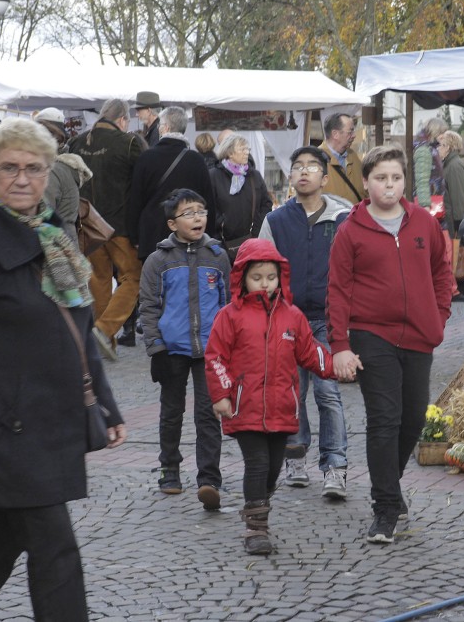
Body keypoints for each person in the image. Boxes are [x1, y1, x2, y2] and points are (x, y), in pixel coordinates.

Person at [0, 117, 127, 621]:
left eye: (33, 168)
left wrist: (105, 403)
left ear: (49, 173)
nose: (21, 178)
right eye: (8, 167)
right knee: (55, 549)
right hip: (3, 429)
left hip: (50, 421)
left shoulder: (53, 237)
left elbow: (78, 328)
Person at [327, 145, 451, 544]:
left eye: (396, 178)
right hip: (371, 334)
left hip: (419, 335)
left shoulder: (423, 223)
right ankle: (385, 509)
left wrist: (439, 317)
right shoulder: (350, 231)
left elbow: (442, 272)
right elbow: (338, 290)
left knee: (413, 418)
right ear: (366, 183)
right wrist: (340, 344)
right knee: (384, 419)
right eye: (381, 178)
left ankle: (389, 487)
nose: (389, 185)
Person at [205, 238, 334, 555]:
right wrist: (222, 394)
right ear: (243, 278)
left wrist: (338, 367)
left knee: (274, 467)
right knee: (258, 464)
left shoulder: (292, 316)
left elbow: (310, 352)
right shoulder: (230, 316)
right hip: (244, 406)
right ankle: (256, 528)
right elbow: (216, 357)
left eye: (271, 277)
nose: (265, 284)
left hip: (282, 407)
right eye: (257, 277)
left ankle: (258, 504)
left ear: (280, 277)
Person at [258, 146, 350, 499]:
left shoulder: (342, 219)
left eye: (312, 166)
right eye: (297, 166)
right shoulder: (276, 221)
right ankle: (295, 458)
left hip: (329, 319)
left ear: (324, 179)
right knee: (292, 393)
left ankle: (335, 466)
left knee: (328, 394)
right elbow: (262, 269)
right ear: (291, 176)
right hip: (288, 318)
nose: (304, 171)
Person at [140, 189, 229, 505]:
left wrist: (228, 346)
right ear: (172, 223)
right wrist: (156, 348)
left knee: (209, 413)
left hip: (210, 350)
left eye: (201, 211)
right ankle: (170, 469)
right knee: (171, 412)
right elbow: (148, 307)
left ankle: (209, 478)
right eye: (188, 213)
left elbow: (228, 304)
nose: (197, 218)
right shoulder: (158, 260)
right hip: (171, 349)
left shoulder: (218, 256)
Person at [68, 99, 145, 360]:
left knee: (99, 281)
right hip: (120, 225)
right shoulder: (130, 143)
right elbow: (141, 183)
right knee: (133, 278)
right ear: (122, 119)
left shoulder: (77, 142)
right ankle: (104, 330)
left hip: (88, 224)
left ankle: (105, 342)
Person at [129, 107, 219, 262]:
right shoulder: (196, 160)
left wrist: (135, 237)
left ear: (165, 128)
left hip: (152, 236)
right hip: (187, 236)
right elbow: (208, 202)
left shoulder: (146, 158)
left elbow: (135, 200)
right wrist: (207, 235)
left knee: (155, 276)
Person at [209, 132, 273, 261]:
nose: (247, 152)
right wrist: (220, 230)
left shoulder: (254, 176)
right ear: (229, 152)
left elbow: (266, 204)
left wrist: (256, 232)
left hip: (252, 242)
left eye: (247, 149)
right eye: (242, 149)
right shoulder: (214, 175)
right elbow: (209, 207)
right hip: (221, 245)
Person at [37, 108, 93, 242]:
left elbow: (43, 215)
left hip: (57, 242)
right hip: (66, 238)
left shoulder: (53, 170)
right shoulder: (66, 164)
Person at [318, 113, 365, 204]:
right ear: (335, 134)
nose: (354, 135)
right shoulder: (316, 160)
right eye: (350, 132)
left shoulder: (353, 156)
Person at [437, 131, 464, 240]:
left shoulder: (455, 166)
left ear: (448, 147)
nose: (438, 148)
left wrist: (458, 229)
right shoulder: (449, 164)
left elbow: (459, 200)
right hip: (452, 224)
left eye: (441, 145)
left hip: (457, 226)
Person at [412, 116, 448, 214]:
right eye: (442, 133)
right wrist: (425, 206)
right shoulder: (423, 150)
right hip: (429, 206)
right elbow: (422, 180)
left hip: (432, 202)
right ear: (435, 132)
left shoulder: (429, 148)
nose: (444, 137)